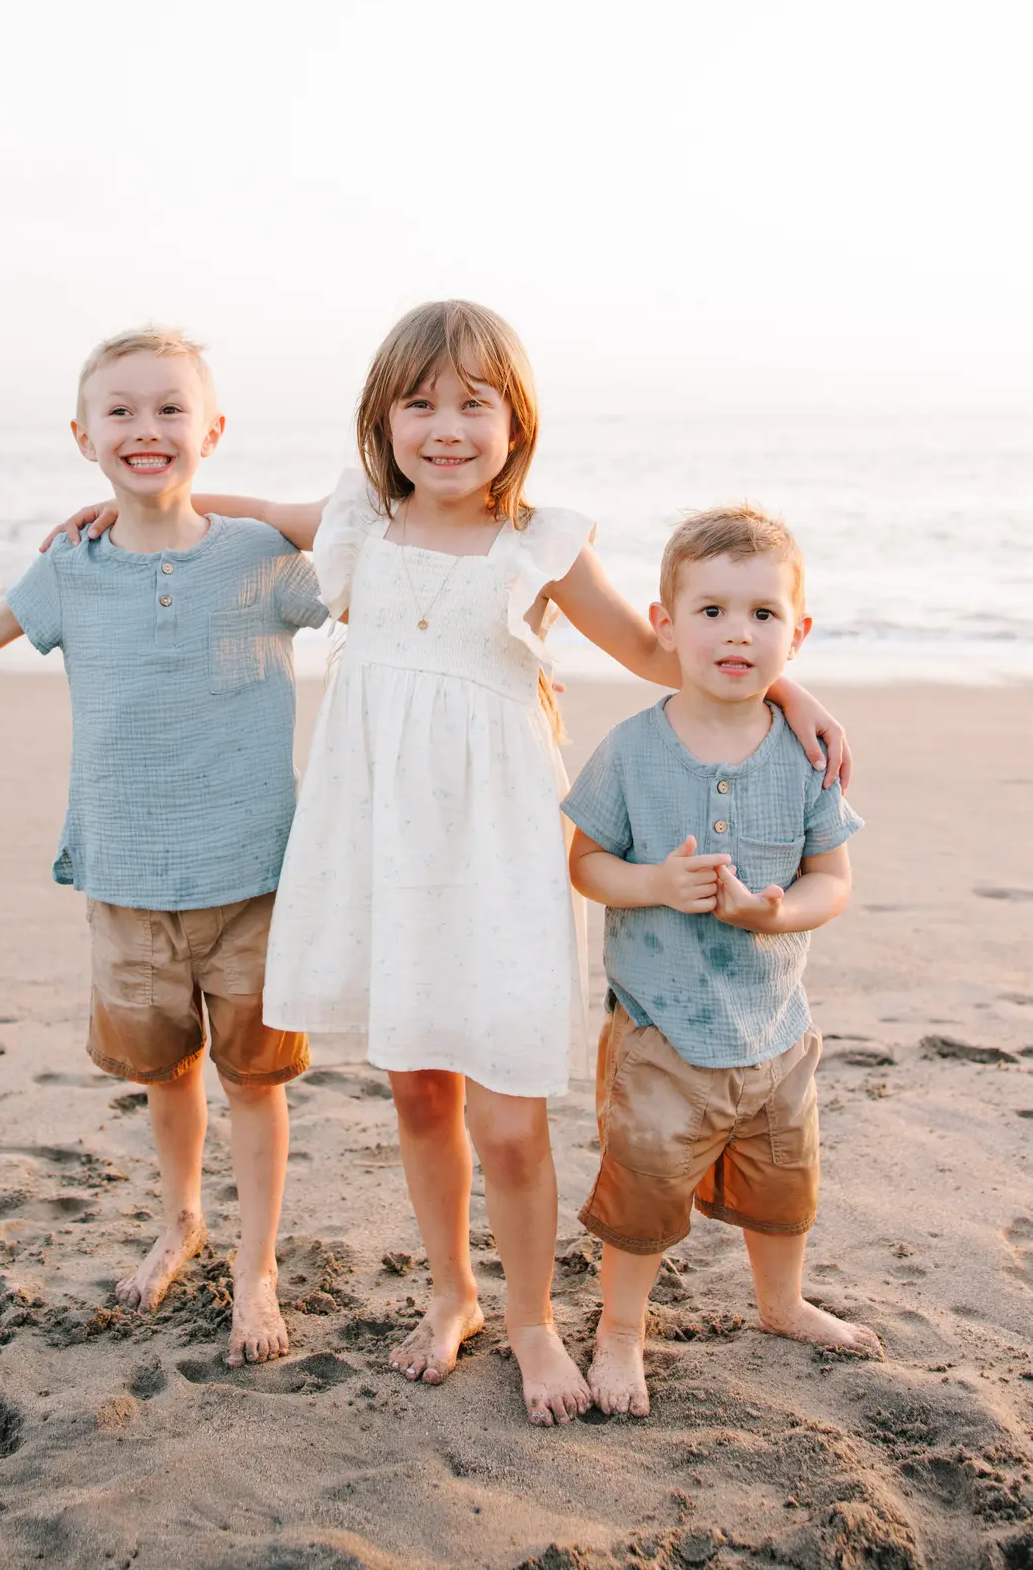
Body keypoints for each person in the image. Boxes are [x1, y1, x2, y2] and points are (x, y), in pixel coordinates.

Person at [49, 300, 852, 1426]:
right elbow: (235, 508)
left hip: (499, 843)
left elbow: (658, 646)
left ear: (512, 421)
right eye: (417, 402)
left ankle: (531, 1318)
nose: (444, 426)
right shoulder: (355, 523)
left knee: (512, 1115)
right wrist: (131, 501)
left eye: (472, 402)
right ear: (380, 419)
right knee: (420, 1094)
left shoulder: (540, 540)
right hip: (379, 842)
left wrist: (787, 682)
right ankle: (451, 1293)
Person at [0, 327, 327, 1367]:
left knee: (255, 1081)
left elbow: (370, 552)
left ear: (210, 429)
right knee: (163, 1071)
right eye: (120, 410)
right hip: (126, 877)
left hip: (256, 877)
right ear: (83, 435)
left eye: (170, 408)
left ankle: (255, 1264)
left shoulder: (262, 558)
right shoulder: (72, 566)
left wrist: (255, 505)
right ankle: (181, 1218)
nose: (146, 428)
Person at [562, 502, 882, 1421]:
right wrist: (656, 884)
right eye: (709, 612)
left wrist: (774, 912)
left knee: (786, 1179)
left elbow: (834, 880)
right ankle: (621, 1329)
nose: (737, 633)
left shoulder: (808, 753)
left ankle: (780, 1305)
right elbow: (584, 865)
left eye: (762, 614)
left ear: (798, 632)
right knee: (645, 1185)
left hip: (776, 1029)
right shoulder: (632, 749)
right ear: (665, 626)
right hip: (661, 1028)